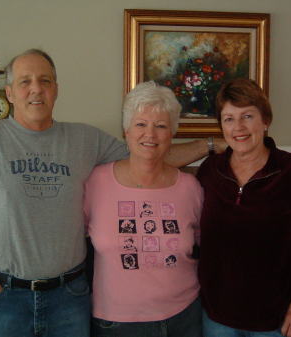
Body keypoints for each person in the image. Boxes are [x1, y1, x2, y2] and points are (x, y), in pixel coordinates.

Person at [0, 49, 215, 337]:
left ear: (56, 90)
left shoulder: (85, 139)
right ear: (9, 92)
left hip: (69, 299)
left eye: (45, 80)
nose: (36, 89)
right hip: (6, 297)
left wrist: (208, 145)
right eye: (25, 81)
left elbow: (148, 154)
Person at [196, 78, 291, 337]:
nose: (238, 127)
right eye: (229, 118)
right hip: (217, 319)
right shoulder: (211, 171)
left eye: (247, 116)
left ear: (265, 120)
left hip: (279, 322)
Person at [84, 81, 204, 337]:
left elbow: (207, 246)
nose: (150, 135)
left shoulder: (190, 188)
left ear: (171, 134)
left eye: (161, 126)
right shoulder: (96, 182)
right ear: (126, 131)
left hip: (184, 318)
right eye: (140, 124)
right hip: (116, 323)